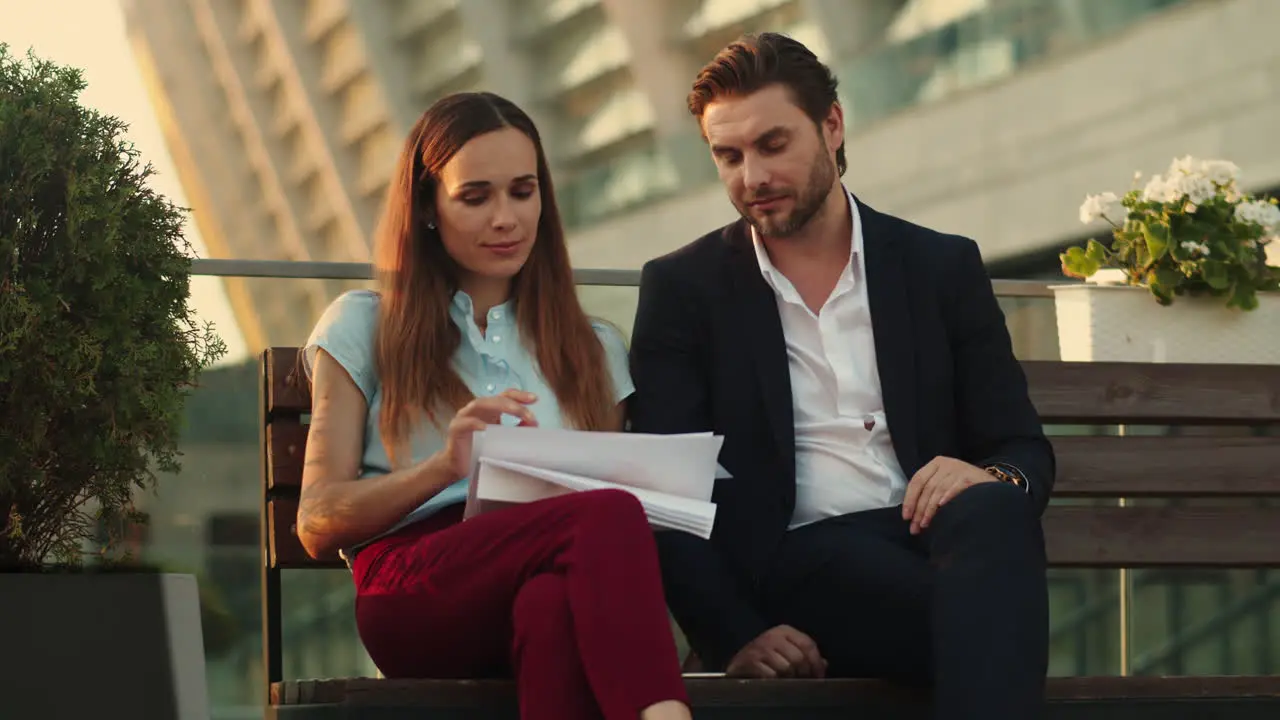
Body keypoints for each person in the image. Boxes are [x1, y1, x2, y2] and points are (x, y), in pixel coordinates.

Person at [629, 33, 1054, 719]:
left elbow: (1023, 450)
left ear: (832, 125)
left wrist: (987, 477)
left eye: (773, 145)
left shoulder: (939, 267)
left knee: (993, 513)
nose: (752, 178)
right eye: (728, 155)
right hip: (798, 562)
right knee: (993, 610)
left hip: (933, 544)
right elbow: (665, 493)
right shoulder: (685, 289)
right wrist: (736, 634)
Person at [297, 91, 691, 720]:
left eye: (522, 191)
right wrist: (443, 468)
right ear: (428, 206)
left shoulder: (593, 348)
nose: (506, 218)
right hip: (415, 587)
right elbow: (315, 523)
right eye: (476, 197)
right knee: (603, 517)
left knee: (551, 606)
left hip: (550, 574)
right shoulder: (365, 324)